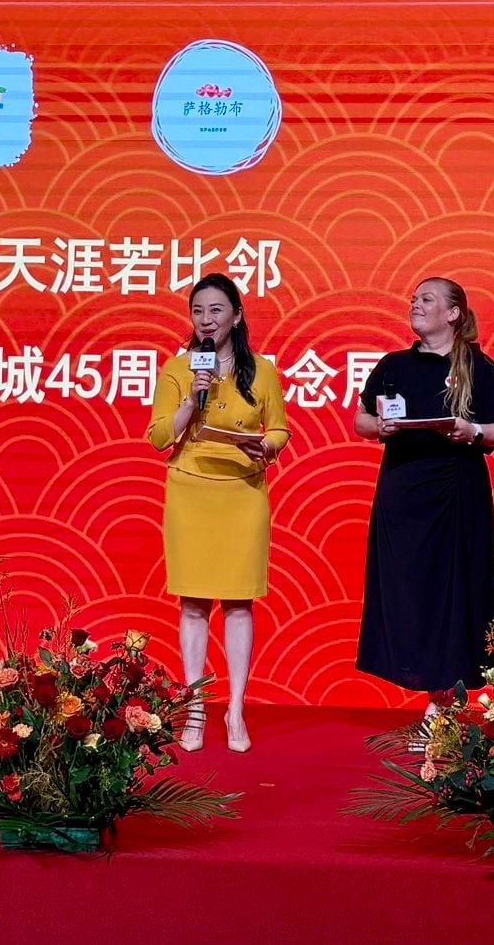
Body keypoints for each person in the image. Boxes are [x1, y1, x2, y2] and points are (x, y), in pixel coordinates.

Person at [353, 277, 494, 732]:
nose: (415, 305)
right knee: (409, 591)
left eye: (426, 299)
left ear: (453, 313)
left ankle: (444, 702)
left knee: (454, 590)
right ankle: (429, 690)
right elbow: (361, 418)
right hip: (402, 492)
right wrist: (378, 428)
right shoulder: (393, 366)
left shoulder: (477, 367)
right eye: (413, 299)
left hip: (456, 491)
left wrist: (474, 432)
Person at [146, 273, 290, 753]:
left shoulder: (262, 370)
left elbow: (280, 430)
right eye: (198, 311)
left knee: (239, 603)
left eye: (216, 310)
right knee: (192, 603)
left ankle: (235, 709)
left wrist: (264, 446)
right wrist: (192, 398)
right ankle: (194, 708)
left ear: (237, 316)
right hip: (190, 492)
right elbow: (159, 436)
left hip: (243, 494)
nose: (206, 320)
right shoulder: (179, 368)